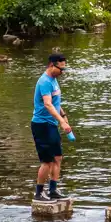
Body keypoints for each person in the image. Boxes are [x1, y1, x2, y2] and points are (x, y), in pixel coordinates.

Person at [32, 51, 72, 202]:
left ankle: (53, 190)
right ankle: (39, 193)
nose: (62, 72)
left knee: (57, 157)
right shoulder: (44, 82)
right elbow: (48, 104)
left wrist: (63, 116)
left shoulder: (54, 79)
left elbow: (56, 102)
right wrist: (61, 122)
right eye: (60, 69)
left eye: (64, 69)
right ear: (51, 65)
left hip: (52, 124)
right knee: (47, 161)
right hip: (41, 125)